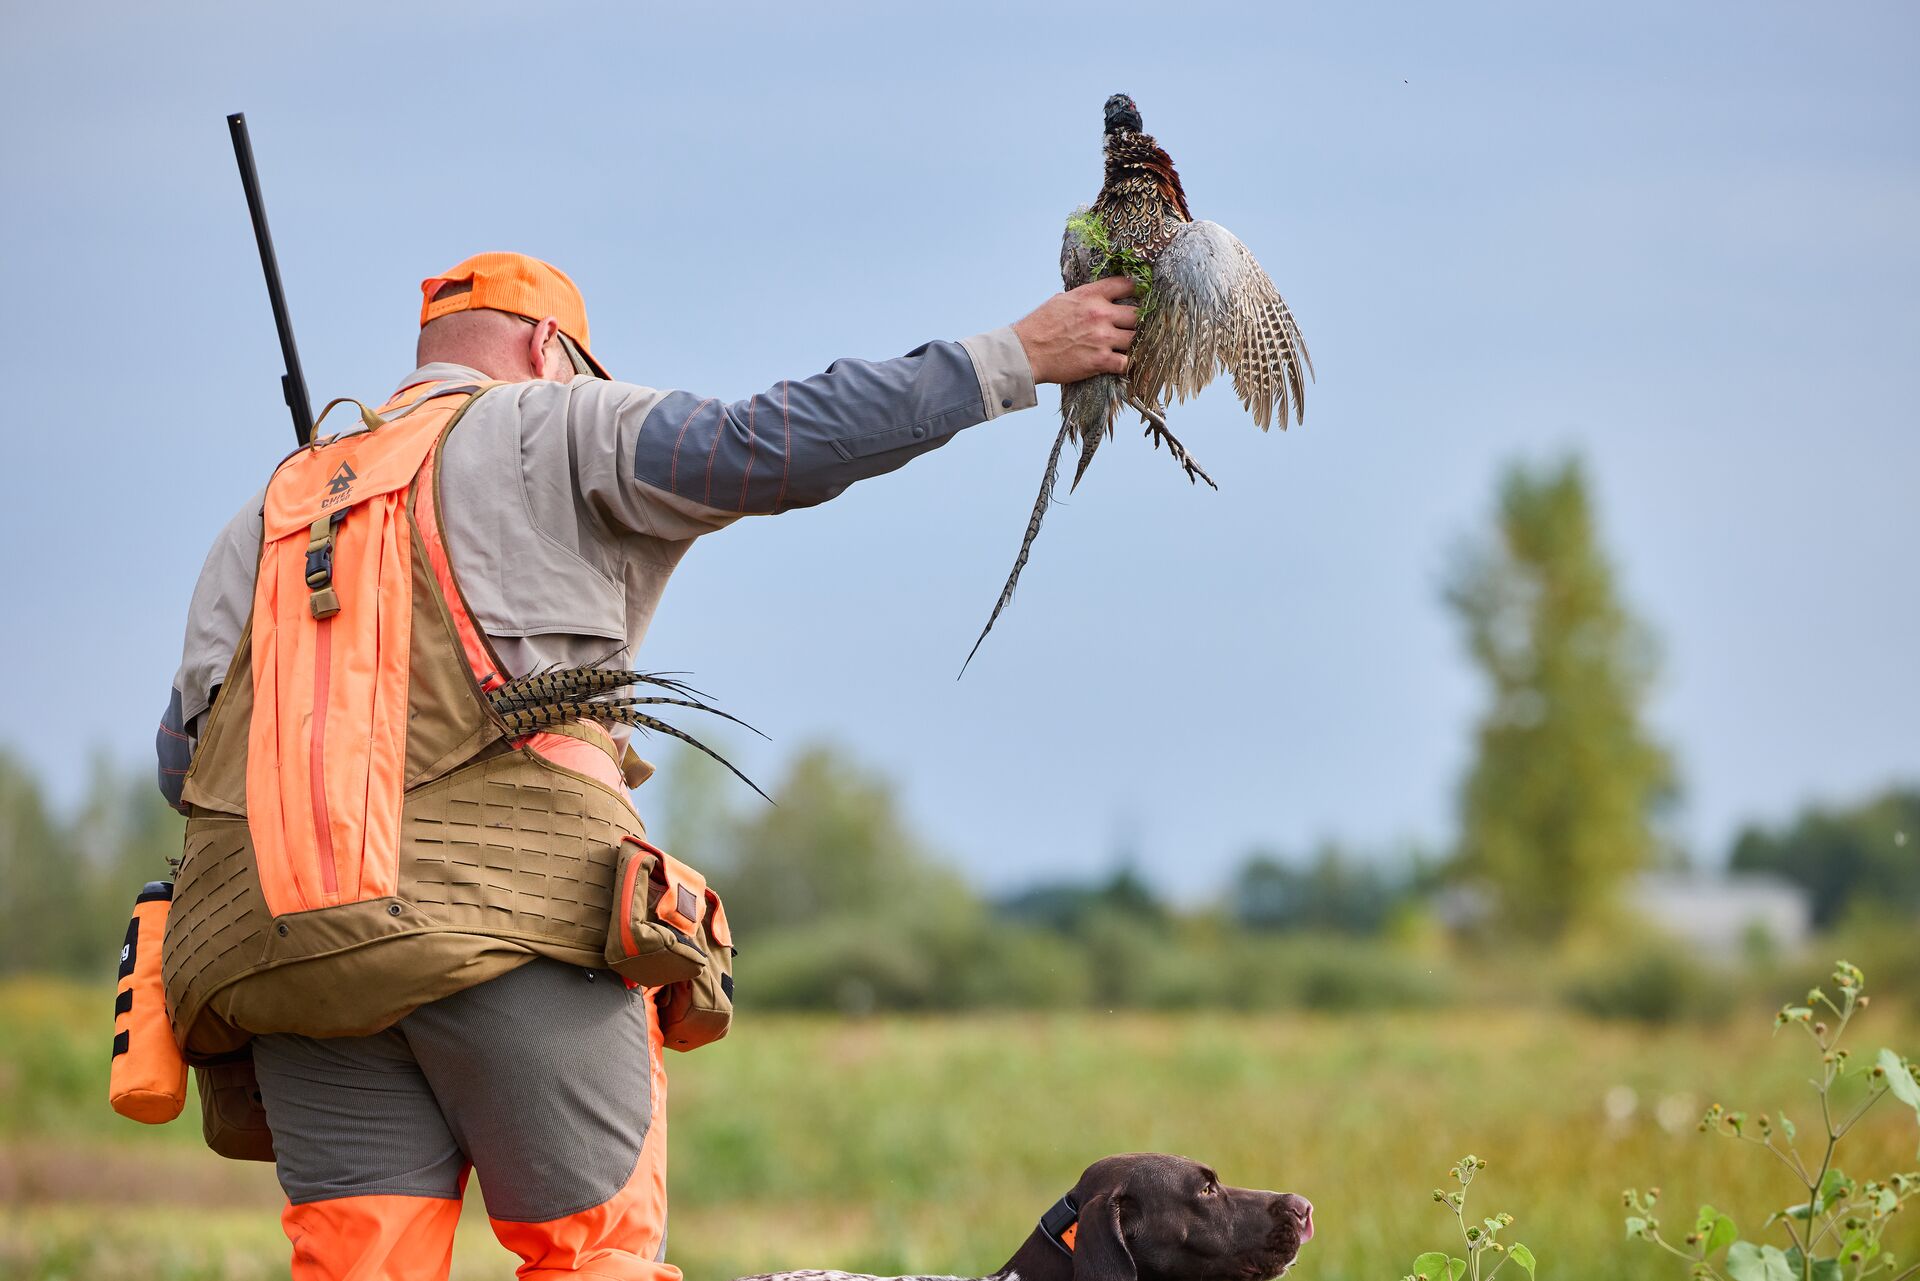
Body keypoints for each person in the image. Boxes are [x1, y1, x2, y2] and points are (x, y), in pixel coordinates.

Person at [154, 251, 1139, 1281]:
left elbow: (187, 767)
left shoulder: (263, 517)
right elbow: (771, 442)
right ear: (550, 348)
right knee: (595, 1262)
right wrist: (1015, 356)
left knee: (359, 1271)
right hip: (515, 934)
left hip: (293, 963)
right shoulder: (557, 420)